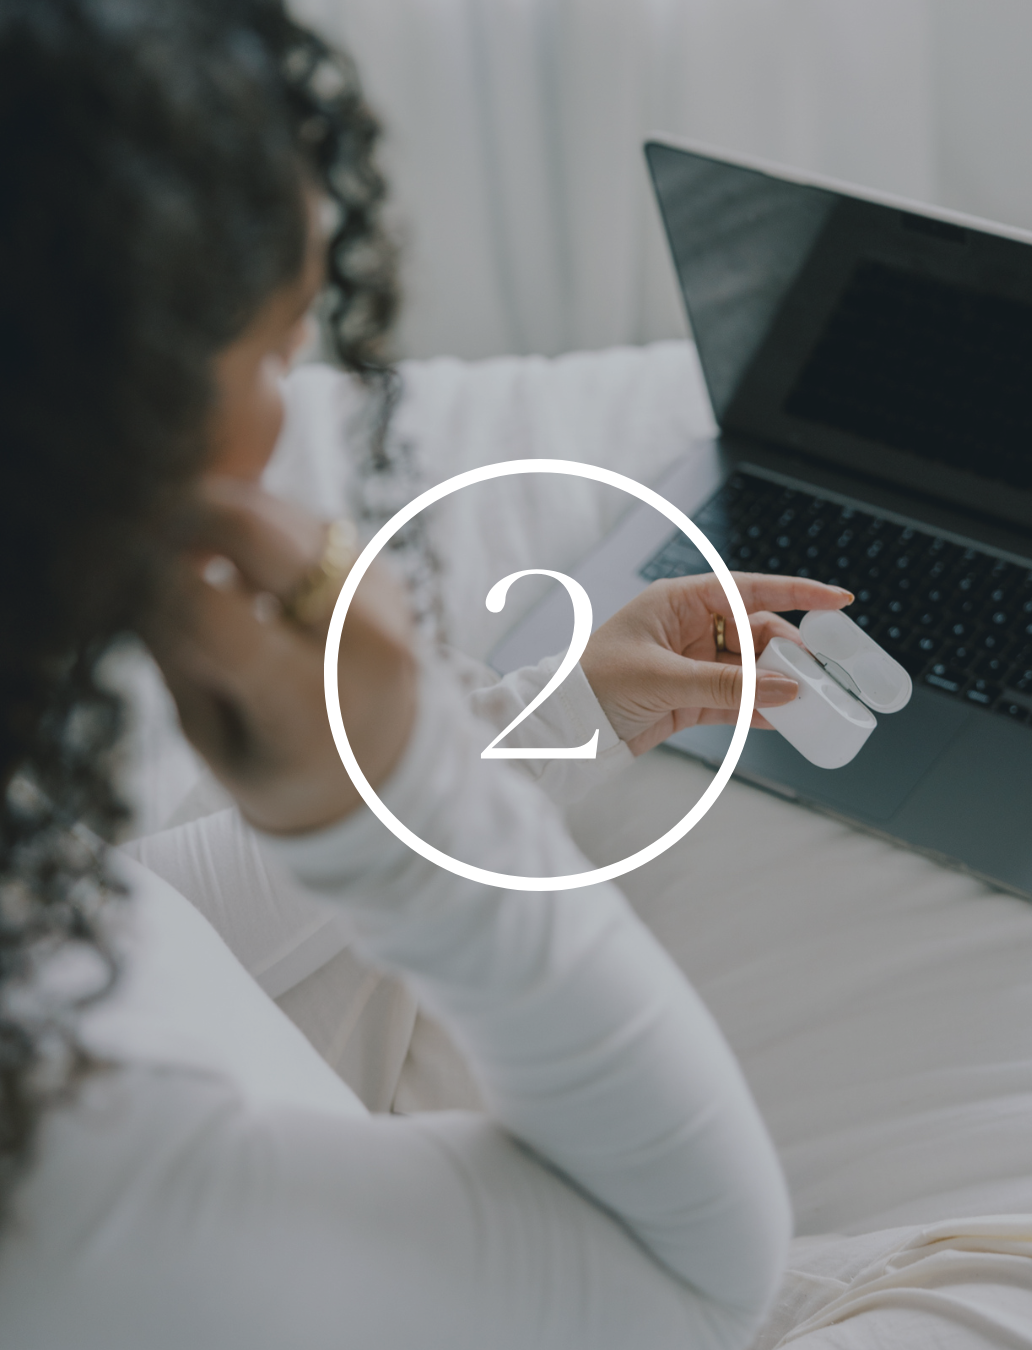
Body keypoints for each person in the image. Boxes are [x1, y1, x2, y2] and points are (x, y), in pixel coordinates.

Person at [0, 2, 862, 1346]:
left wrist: (571, 713)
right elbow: (697, 1270)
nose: (292, 420)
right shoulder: (82, 1184)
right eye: (278, 353)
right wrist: (414, 783)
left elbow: (133, 925)